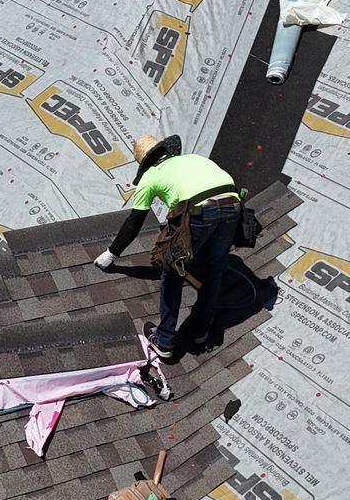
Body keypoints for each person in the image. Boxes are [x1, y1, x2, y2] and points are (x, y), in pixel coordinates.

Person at [94, 134, 242, 360]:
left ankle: (164, 341)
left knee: (172, 270)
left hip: (200, 211)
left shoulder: (151, 177)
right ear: (166, 152)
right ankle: (200, 331)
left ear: (144, 163)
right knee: (213, 270)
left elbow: (135, 222)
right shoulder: (193, 159)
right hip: (233, 205)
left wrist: (111, 254)